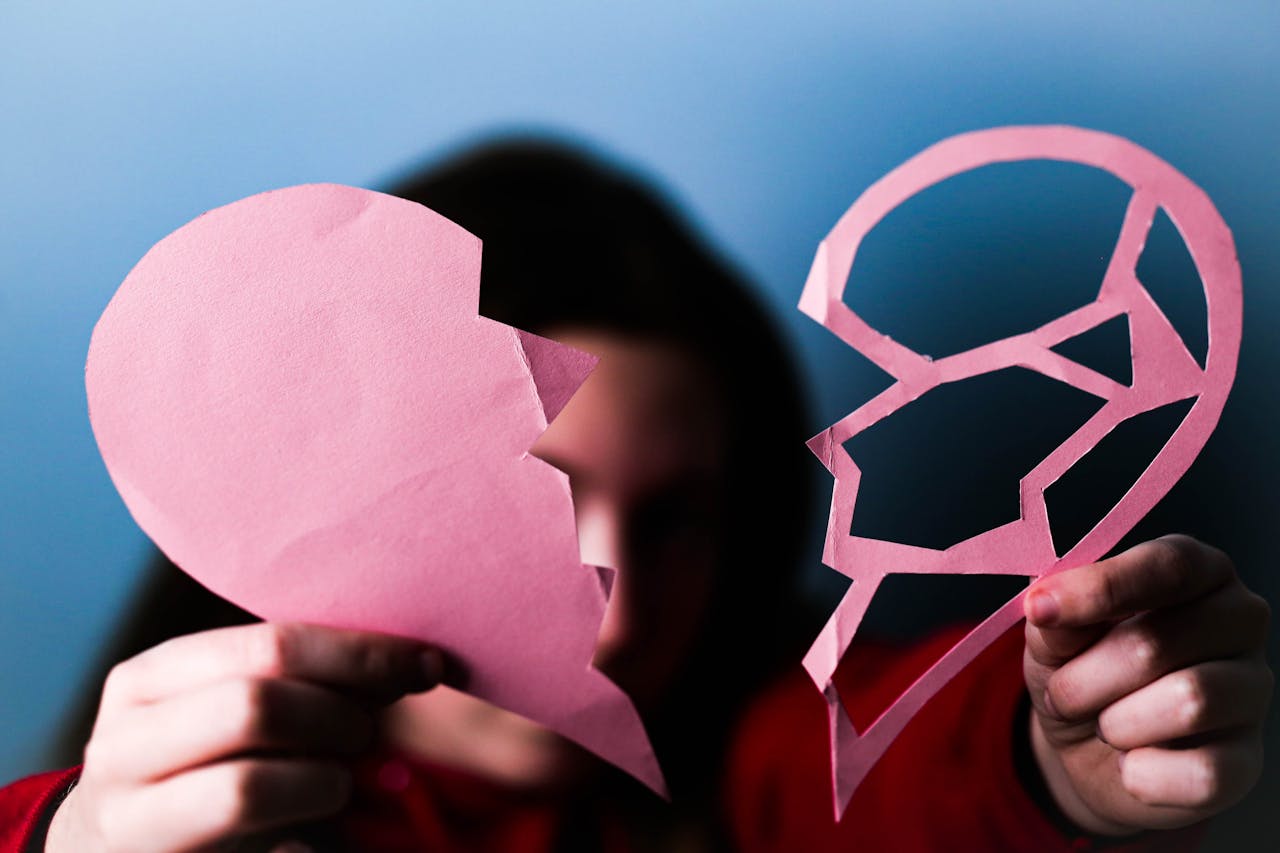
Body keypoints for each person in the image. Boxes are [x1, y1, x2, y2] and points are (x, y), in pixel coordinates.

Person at [1, 140, 1270, 852]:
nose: (610, 616)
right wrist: (72, 839)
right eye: (526, 498)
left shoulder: (754, 757)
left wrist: (1045, 748)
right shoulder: (159, 804)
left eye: (674, 520)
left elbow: (886, 756)